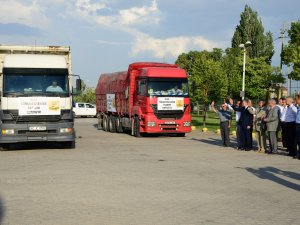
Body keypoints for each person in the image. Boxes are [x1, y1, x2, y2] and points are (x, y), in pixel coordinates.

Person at [295, 94, 300, 159]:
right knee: (298, 140)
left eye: (296, 99)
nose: (295, 100)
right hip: (297, 124)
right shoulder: (298, 107)